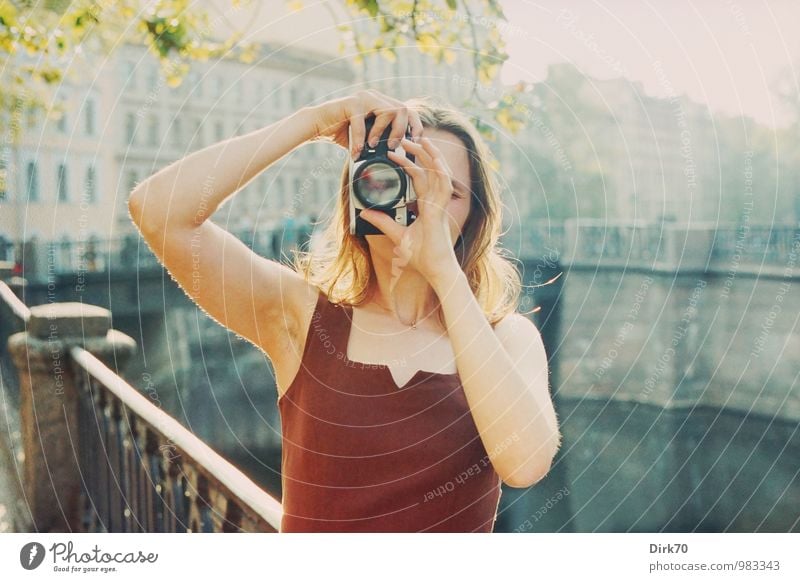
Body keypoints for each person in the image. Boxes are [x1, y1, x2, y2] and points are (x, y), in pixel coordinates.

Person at [127, 89, 561, 532]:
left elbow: (524, 464)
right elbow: (158, 211)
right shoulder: (303, 316)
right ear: (359, 192)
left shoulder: (506, 338)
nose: (420, 206)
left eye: (446, 191)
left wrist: (444, 274)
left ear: (473, 217)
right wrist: (312, 122)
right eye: (402, 178)